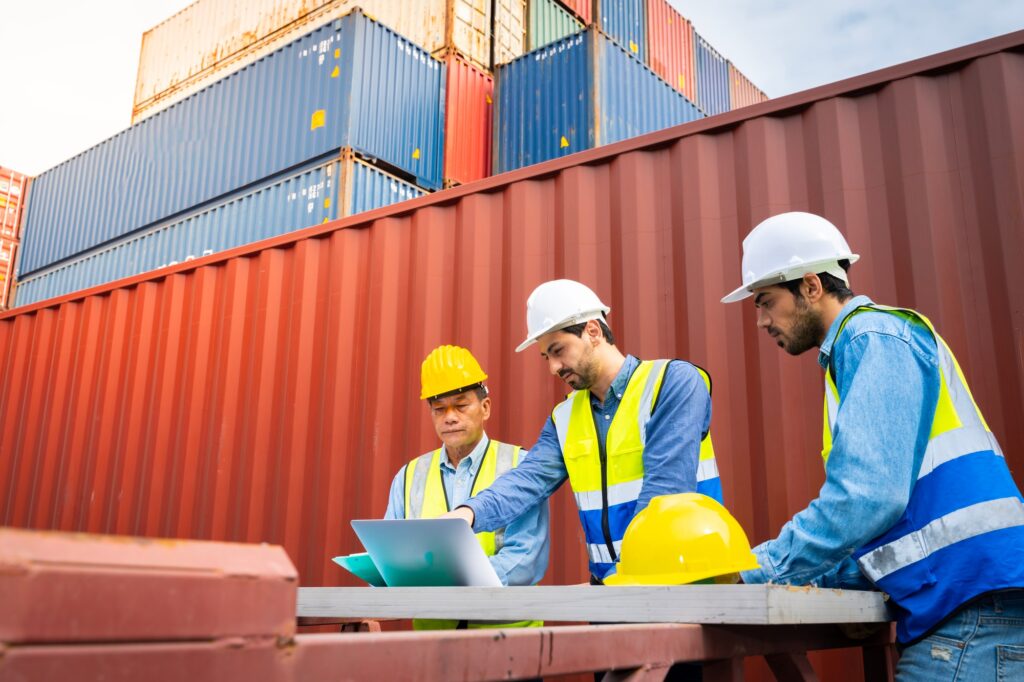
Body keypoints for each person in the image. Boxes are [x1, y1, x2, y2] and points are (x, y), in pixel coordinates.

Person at [721, 211, 1024, 679]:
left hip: (971, 613)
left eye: (765, 301)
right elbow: (890, 523)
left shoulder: (872, 337)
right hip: (971, 605)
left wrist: (753, 571)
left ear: (811, 286)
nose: (761, 321)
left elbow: (866, 498)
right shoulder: (866, 349)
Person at [444, 279, 722, 583]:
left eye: (558, 350)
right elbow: (527, 480)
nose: (553, 367)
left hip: (685, 583)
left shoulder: (673, 383)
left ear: (593, 331)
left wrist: (617, 581)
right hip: (613, 593)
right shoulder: (564, 417)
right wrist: (467, 514)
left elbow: (665, 491)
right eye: (546, 357)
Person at [384, 345, 549, 629]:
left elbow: (525, 559)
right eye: (439, 409)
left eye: (461, 405)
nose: (450, 416)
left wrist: (452, 581)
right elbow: (391, 557)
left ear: (485, 408)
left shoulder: (519, 466)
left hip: (509, 644)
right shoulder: (409, 476)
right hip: (434, 646)